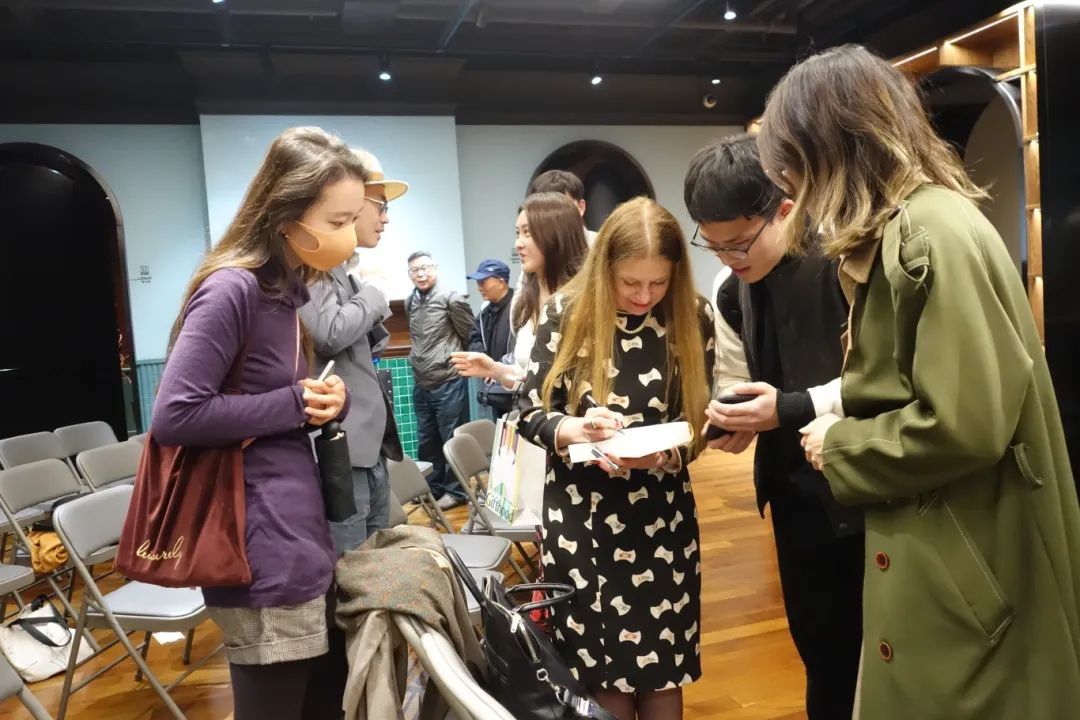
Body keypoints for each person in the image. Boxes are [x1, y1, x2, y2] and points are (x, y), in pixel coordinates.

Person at [759, 44, 1080, 718]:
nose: (794, 191)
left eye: (797, 166)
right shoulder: (913, 230)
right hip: (952, 551)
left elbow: (965, 423)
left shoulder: (929, 236)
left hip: (972, 563)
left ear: (832, 150)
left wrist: (841, 445)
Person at [151, 126, 357, 720]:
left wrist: (322, 403)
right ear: (287, 216)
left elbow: (269, 404)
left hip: (296, 531)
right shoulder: (232, 289)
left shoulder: (285, 294)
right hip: (259, 542)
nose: (349, 235)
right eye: (338, 221)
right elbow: (175, 414)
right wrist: (293, 403)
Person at [684, 133, 863, 720]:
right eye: (712, 245)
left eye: (739, 243)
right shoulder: (733, 290)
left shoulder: (846, 265)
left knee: (874, 659)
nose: (728, 259)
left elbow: (883, 384)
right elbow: (751, 378)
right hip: (792, 498)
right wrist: (738, 420)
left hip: (867, 494)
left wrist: (785, 409)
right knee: (821, 654)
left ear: (785, 209)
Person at [517, 197, 714, 720]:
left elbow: (698, 424)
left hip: (662, 521)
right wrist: (576, 429)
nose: (644, 296)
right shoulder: (566, 313)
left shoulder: (693, 316)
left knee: (663, 665)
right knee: (599, 671)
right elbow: (526, 412)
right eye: (630, 283)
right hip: (582, 521)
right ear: (605, 267)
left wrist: (666, 454)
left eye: (658, 283)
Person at [299, 147, 408, 555]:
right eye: (380, 204)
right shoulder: (314, 262)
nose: (385, 217)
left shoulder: (342, 266)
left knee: (374, 570)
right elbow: (328, 332)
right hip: (340, 448)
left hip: (365, 446)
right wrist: (376, 292)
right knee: (351, 574)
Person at [450, 192, 587, 391]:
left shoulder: (583, 301)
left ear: (556, 236)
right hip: (532, 410)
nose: (518, 243)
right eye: (517, 233)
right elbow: (530, 379)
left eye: (527, 233)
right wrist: (496, 370)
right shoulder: (528, 298)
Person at [405, 250, 475, 509]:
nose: (421, 274)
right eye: (415, 270)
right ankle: (432, 488)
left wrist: (457, 363)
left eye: (425, 268)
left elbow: (470, 335)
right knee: (427, 440)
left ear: (435, 268)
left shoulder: (451, 298)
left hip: (449, 381)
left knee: (450, 439)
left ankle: (456, 492)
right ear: (410, 274)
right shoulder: (410, 301)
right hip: (422, 383)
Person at [464, 258, 516, 417]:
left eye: (483, 282)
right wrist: (485, 365)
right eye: (478, 282)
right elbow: (475, 338)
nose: (479, 287)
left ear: (501, 282)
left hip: (516, 382)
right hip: (493, 385)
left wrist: (498, 369)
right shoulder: (485, 311)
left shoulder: (520, 307)